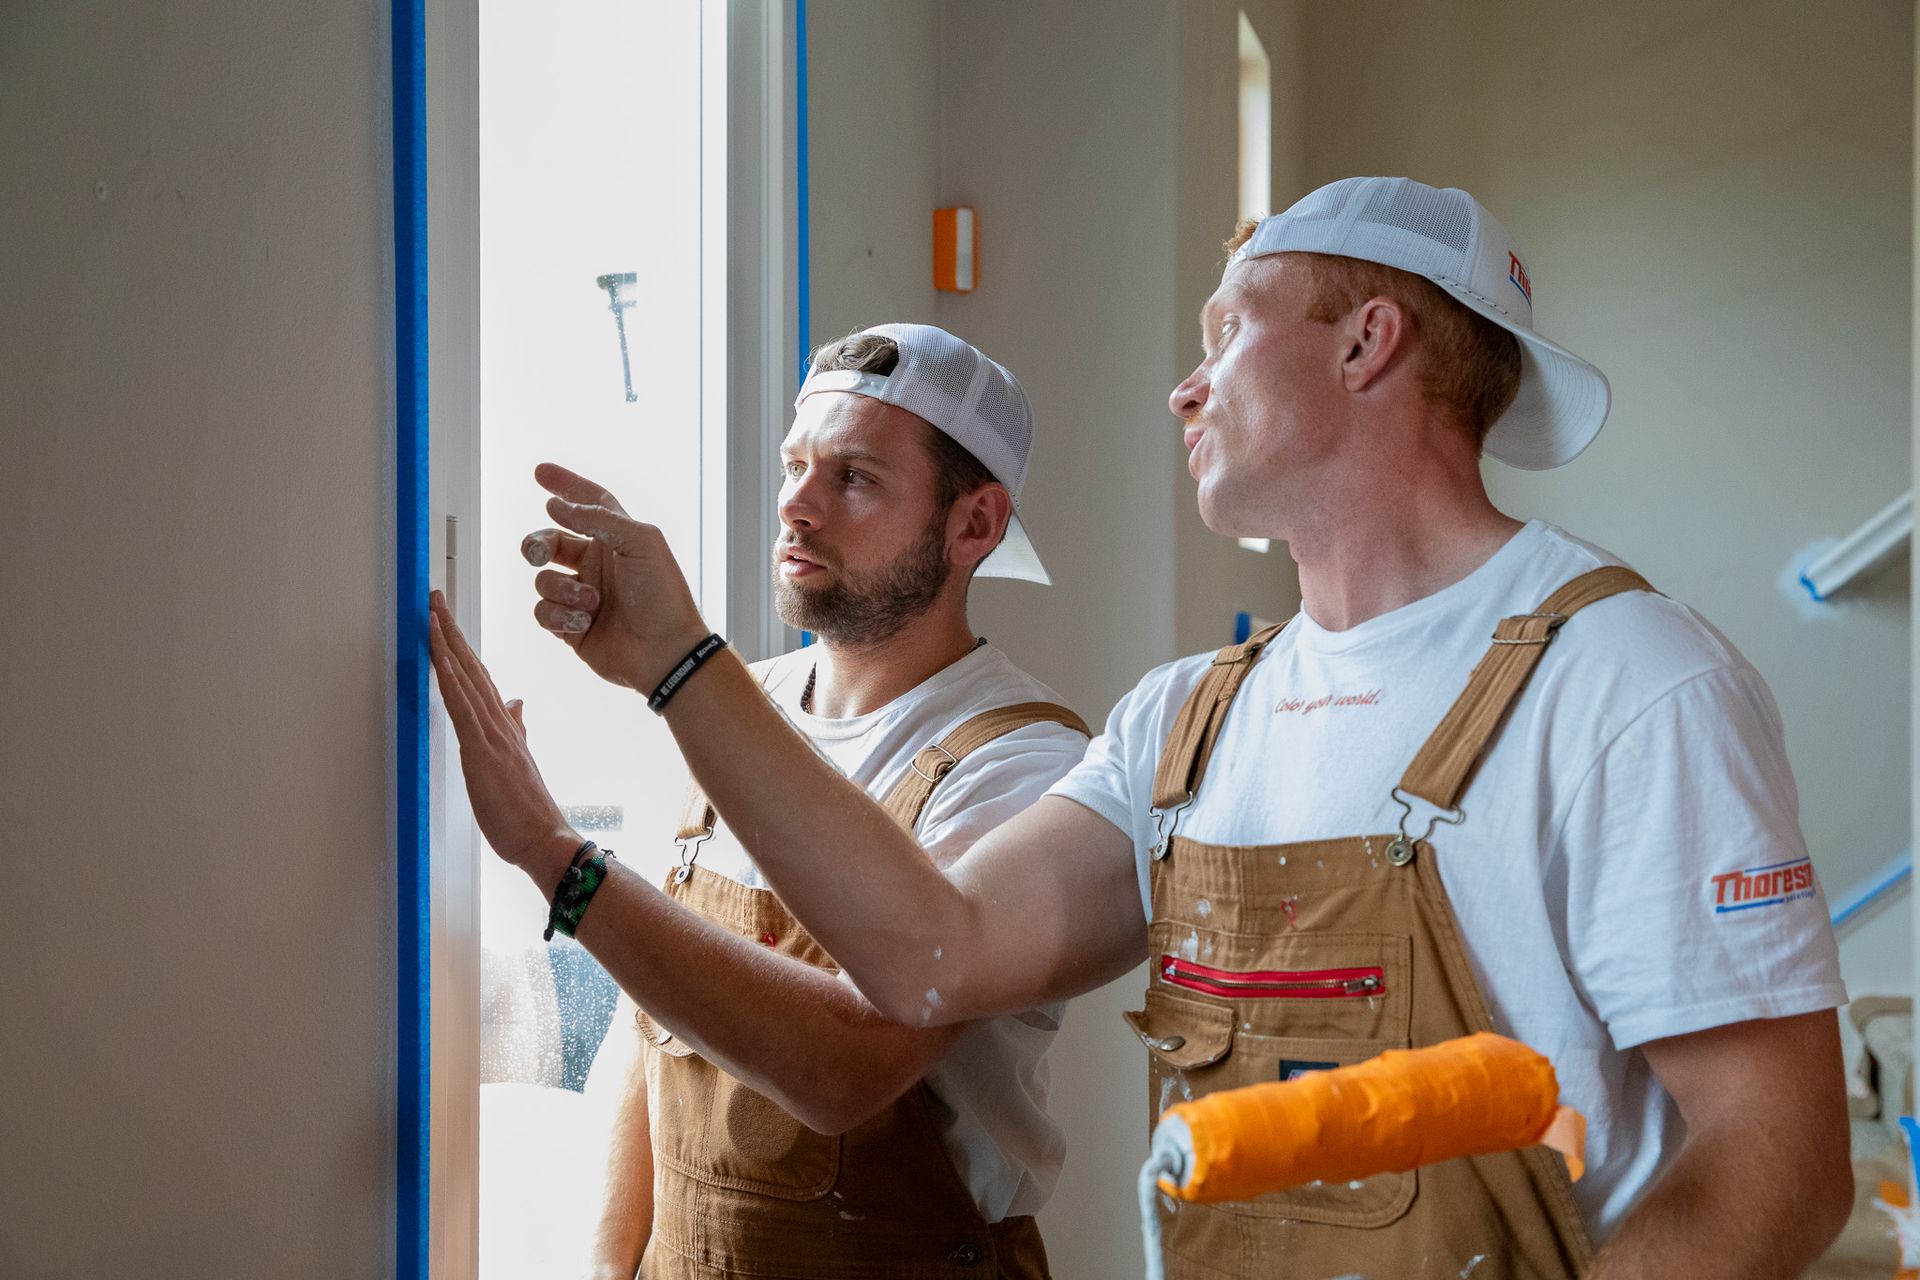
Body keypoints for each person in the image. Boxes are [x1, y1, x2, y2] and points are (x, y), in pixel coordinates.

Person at [510, 178, 1853, 1279]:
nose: (1184, 389)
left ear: (1366, 340)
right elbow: (928, 955)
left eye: (1226, 332)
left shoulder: (1627, 682)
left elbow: (1776, 1157)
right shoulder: (1190, 721)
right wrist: (682, 668)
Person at [428, 323, 1091, 1279]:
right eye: (794, 466)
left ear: (974, 525)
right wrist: (615, 1266)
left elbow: (846, 1065)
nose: (798, 505)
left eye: (855, 477)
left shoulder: (1024, 762)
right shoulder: (749, 707)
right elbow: (652, 1030)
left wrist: (550, 852)